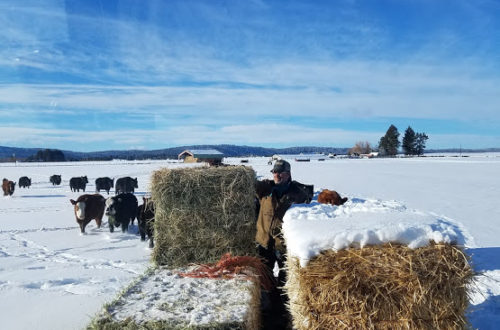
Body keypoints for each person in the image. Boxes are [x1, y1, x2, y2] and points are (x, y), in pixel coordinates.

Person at [255, 159, 312, 328]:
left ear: (288, 174)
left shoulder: (298, 194)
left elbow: (311, 214)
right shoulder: (265, 189)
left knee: (286, 278)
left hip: (283, 244)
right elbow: (247, 184)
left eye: (280, 172)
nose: (277, 175)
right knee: (264, 275)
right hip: (264, 241)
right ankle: (267, 309)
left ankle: (283, 311)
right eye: (274, 172)